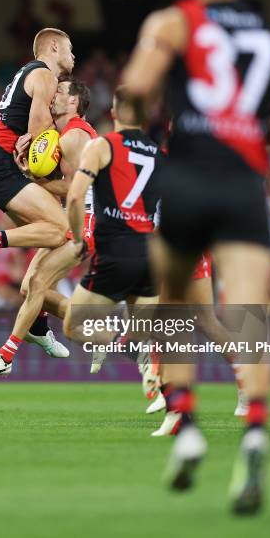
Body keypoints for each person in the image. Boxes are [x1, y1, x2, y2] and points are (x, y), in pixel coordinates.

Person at [123, 0, 270, 514]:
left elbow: (134, 88)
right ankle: (255, 430)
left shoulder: (173, 22)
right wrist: (250, 132)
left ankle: (186, 429)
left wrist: (157, 122)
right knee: (249, 313)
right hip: (243, 183)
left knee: (176, 307)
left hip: (187, 178)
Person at [0, 78, 99, 377]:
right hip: (71, 216)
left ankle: (5, 356)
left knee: (39, 284)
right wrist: (30, 171)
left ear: (74, 102)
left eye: (61, 93)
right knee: (30, 287)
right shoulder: (64, 134)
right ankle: (107, 336)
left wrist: (28, 177)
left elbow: (72, 187)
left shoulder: (75, 135)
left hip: (85, 220)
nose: (53, 96)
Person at [0, 28, 75, 284]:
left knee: (53, 236)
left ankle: (39, 321)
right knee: (65, 229)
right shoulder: (44, 74)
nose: (73, 56)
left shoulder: (27, 72)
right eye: (70, 49)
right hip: (3, 167)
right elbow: (39, 126)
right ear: (54, 46)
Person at [63, 86, 162, 347]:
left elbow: (74, 198)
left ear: (114, 111)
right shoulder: (161, 157)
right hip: (151, 256)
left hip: (117, 251)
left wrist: (77, 239)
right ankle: (157, 372)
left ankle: (129, 347)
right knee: (142, 336)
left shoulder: (101, 146)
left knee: (73, 326)